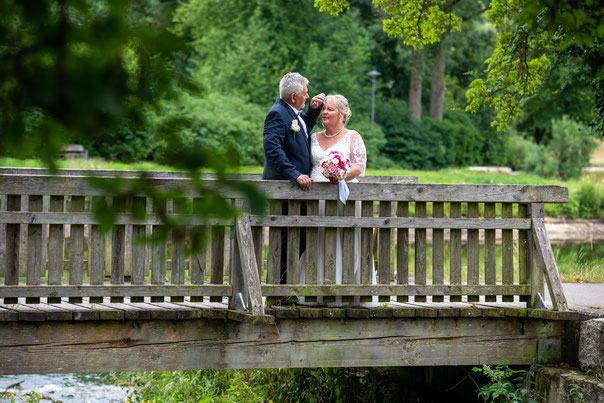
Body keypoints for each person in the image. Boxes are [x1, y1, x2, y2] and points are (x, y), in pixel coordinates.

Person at [309, 94, 374, 306]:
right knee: (316, 243)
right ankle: (314, 291)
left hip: (341, 199)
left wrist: (339, 176)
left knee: (344, 243)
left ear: (342, 114)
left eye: (330, 109)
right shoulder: (312, 137)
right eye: (324, 109)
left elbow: (358, 166)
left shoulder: (352, 136)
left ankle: (346, 293)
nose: (324, 112)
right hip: (315, 200)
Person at [263, 72, 325, 285]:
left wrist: (313, 111)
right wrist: (295, 174)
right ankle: (277, 289)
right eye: (305, 94)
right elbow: (272, 149)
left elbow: (301, 131)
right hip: (285, 187)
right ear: (293, 97)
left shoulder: (292, 113)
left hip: (297, 188)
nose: (307, 97)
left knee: (298, 237)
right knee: (285, 238)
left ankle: (285, 286)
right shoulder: (277, 114)